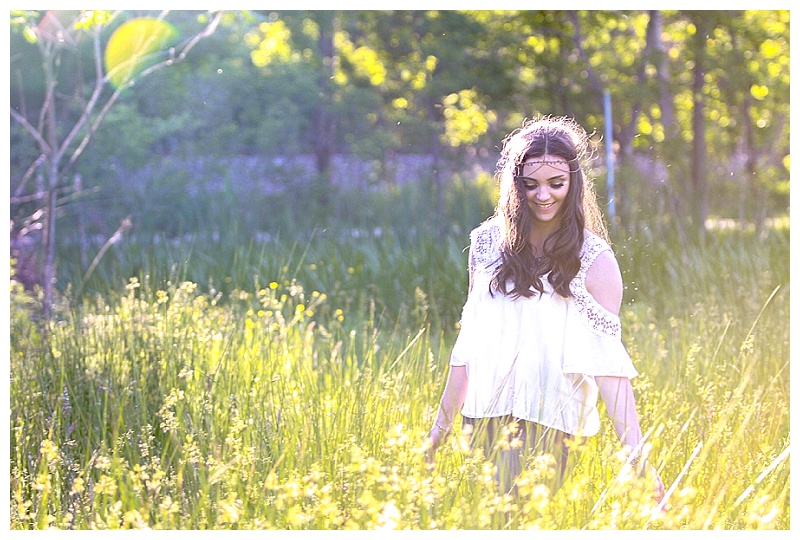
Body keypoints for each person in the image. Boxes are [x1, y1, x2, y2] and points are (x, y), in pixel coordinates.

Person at [427, 115, 665, 501]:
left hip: (551, 422)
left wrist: (636, 457)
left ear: (573, 184)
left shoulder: (594, 259)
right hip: (482, 417)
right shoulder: (486, 244)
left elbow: (609, 367)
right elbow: (469, 344)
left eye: (556, 183)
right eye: (530, 184)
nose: (543, 195)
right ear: (514, 184)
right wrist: (440, 429)